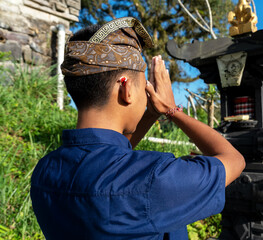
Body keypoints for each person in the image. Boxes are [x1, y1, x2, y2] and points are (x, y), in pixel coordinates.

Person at [30, 17, 245, 240]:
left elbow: (109, 157)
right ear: (126, 87)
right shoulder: (154, 179)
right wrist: (172, 110)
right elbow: (234, 160)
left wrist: (151, 113)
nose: (146, 96)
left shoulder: (45, 171)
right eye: (144, 87)